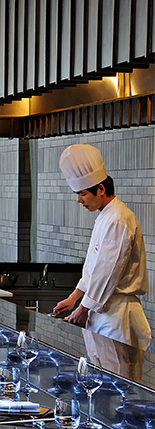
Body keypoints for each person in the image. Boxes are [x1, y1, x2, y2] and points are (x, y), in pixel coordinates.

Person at [52, 144, 151, 380]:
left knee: (116, 386)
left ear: (101, 189)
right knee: (101, 383)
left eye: (83, 194)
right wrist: (74, 298)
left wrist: (83, 308)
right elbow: (94, 268)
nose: (79, 200)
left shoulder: (118, 219)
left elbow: (109, 271)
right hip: (102, 313)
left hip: (116, 316)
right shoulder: (105, 217)